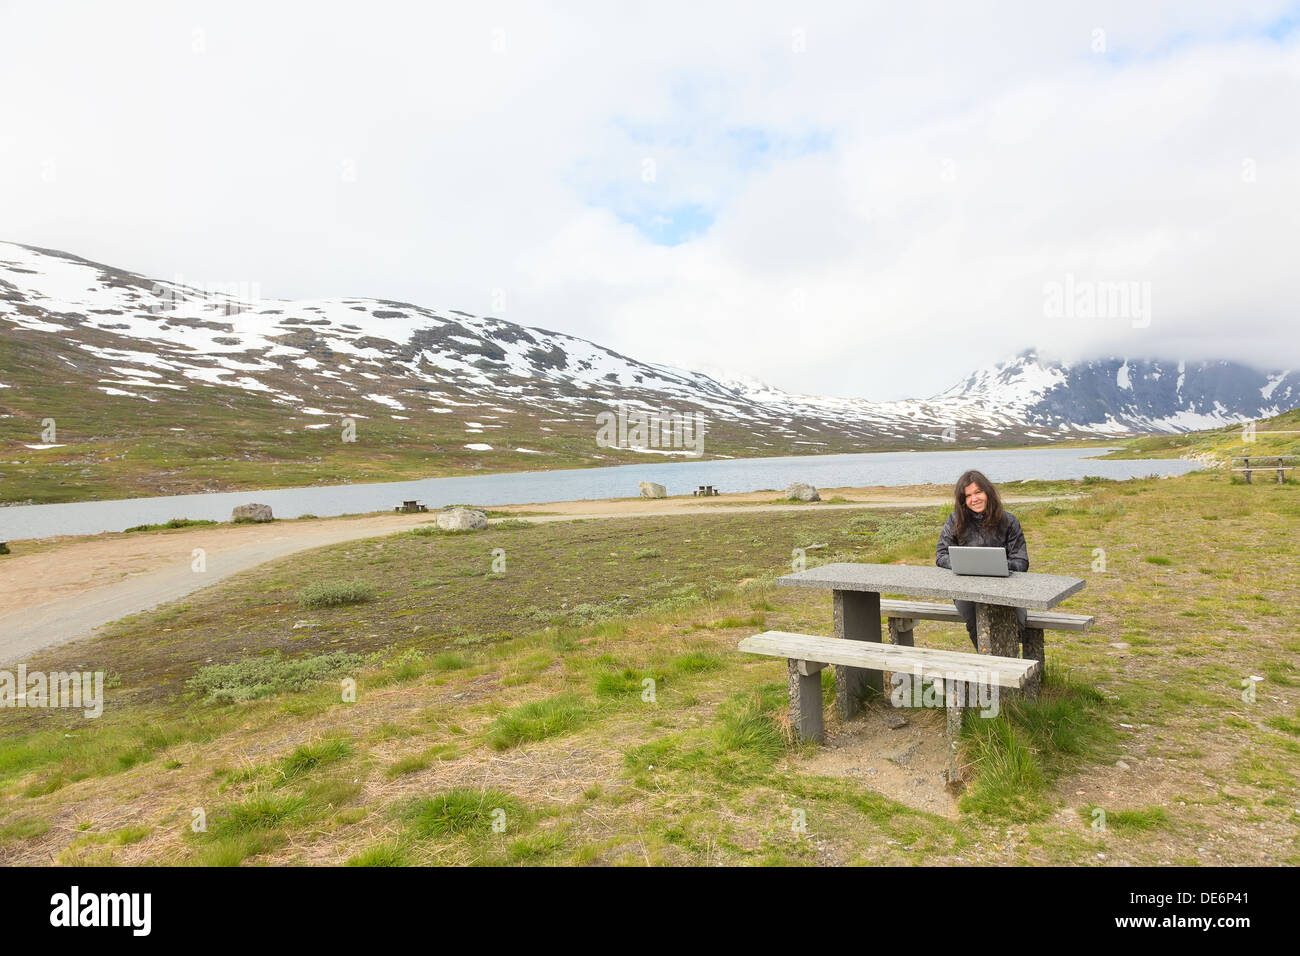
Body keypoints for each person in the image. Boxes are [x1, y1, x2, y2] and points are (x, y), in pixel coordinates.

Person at [934, 469, 1029, 649]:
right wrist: (965, 565)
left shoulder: (1009, 521)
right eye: (968, 495)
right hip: (966, 589)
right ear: (963, 500)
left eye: (978, 492)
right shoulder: (955, 520)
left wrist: (999, 566)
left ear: (988, 492)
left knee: (1016, 625)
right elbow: (940, 555)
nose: (974, 499)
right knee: (977, 626)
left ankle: (1007, 667)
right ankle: (993, 667)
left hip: (1006, 588)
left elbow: (1022, 562)